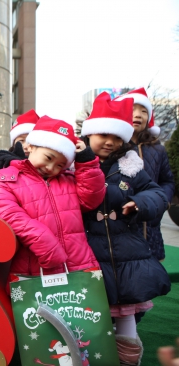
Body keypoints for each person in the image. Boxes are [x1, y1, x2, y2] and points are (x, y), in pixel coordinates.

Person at [80, 92, 171, 365]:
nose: (110, 142)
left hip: (126, 250)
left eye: (117, 137)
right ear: (90, 133)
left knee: (126, 310)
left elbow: (155, 192)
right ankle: (91, 355)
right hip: (88, 248)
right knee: (90, 310)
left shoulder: (130, 166)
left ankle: (128, 359)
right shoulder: (73, 162)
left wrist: (139, 202)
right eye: (103, 135)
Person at [0, 115, 104, 279]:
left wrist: (87, 163)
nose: (51, 168)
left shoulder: (68, 180)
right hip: (33, 268)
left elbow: (91, 200)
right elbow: (8, 214)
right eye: (48, 158)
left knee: (85, 305)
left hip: (78, 265)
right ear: (30, 147)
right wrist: (45, 245)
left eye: (60, 165)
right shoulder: (6, 178)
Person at [115, 87, 175, 260]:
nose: (138, 114)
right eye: (132, 109)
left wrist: (161, 201)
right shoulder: (114, 147)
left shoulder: (157, 149)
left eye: (143, 111)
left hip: (151, 224)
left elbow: (167, 181)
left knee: (153, 276)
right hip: (122, 221)